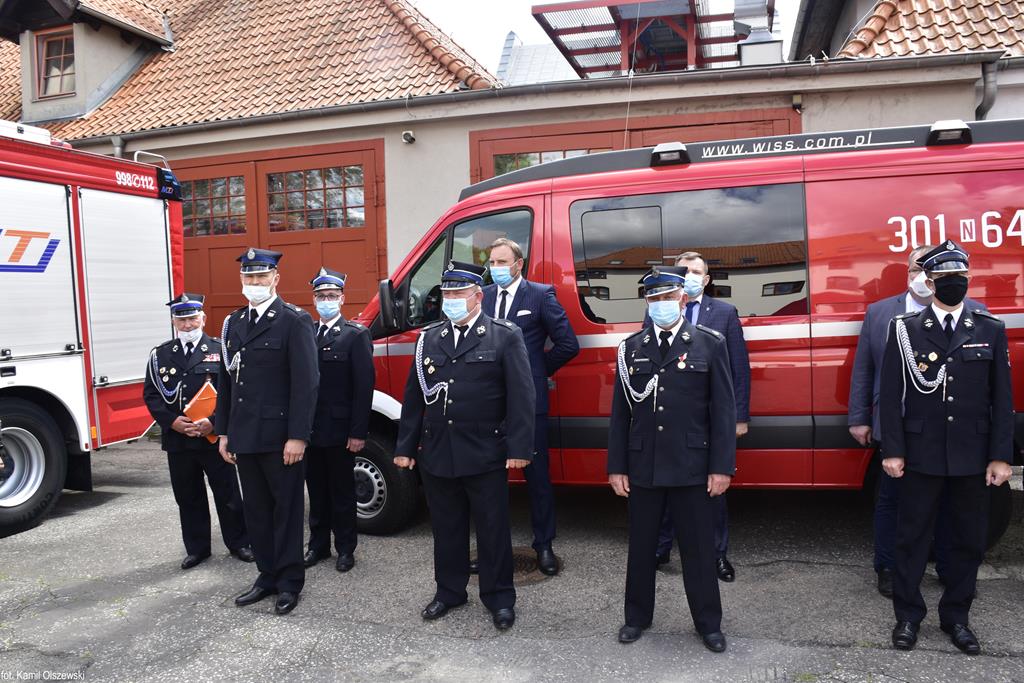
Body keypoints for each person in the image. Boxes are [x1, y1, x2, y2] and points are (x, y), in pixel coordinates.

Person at [880, 240, 1013, 654]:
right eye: (944, 277)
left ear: (968, 278)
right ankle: (908, 617)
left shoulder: (990, 328)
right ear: (929, 281)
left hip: (972, 456)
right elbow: (891, 396)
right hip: (920, 454)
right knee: (911, 539)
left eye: (960, 276)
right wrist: (893, 450)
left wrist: (1000, 456)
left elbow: (1002, 399)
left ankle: (957, 618)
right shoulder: (905, 329)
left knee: (967, 541)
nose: (954, 283)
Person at [394, 261, 534, 631]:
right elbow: (414, 397)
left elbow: (522, 396)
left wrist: (519, 448)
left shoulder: (504, 336)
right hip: (438, 451)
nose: (452, 299)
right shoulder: (429, 338)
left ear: (478, 296)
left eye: (459, 293)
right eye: (448, 293)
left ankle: (499, 597)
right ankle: (450, 591)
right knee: (447, 528)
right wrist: (405, 447)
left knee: (492, 529)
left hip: (485, 451)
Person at [608, 265, 736, 653]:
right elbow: (620, 414)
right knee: (641, 547)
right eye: (654, 299)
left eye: (667, 297)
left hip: (691, 466)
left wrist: (721, 467)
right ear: (647, 303)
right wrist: (617, 466)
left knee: (698, 549)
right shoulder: (631, 348)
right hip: (644, 464)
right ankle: (636, 617)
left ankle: (708, 623)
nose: (661, 304)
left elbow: (723, 411)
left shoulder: (708, 343)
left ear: (682, 299)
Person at [848, 245, 980, 597]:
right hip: (898, 424)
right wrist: (859, 417)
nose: (922, 276)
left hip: (950, 427)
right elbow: (864, 368)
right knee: (892, 500)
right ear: (906, 272)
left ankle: (950, 568)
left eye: (929, 269)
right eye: (915, 268)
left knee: (950, 503)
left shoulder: (976, 311)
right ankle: (889, 567)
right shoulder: (880, 312)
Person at [215, 247, 319, 616]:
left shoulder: (294, 321)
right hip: (245, 436)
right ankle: (267, 575)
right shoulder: (233, 323)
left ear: (276, 278)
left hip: (280, 439)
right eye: (249, 276)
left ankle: (289, 581)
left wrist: (298, 436)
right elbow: (227, 382)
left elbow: (306, 383)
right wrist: (224, 432)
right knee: (256, 511)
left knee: (286, 512)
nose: (255, 282)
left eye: (261, 275)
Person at [482, 237, 579, 576]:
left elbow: (568, 344)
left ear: (518, 263)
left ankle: (544, 544)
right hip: (488, 403)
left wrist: (535, 373)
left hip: (528, 404)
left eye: (501, 262)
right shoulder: (483, 296)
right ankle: (491, 547)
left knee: (537, 478)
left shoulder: (540, 295)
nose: (496, 268)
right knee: (488, 480)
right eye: (492, 262)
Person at [650, 252, 749, 582]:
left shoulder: (724, 313)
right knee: (664, 488)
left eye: (696, 271)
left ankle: (717, 554)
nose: (690, 276)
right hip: (667, 418)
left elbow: (738, 369)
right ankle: (661, 548)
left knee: (712, 492)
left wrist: (739, 417)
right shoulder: (657, 309)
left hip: (706, 421)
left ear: (706, 279)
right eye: (684, 271)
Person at [142, 293, 253, 570]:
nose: (188, 325)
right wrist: (172, 422)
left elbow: (234, 391)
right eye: (182, 320)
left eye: (192, 319)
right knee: (188, 497)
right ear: (174, 322)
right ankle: (197, 548)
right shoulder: (161, 354)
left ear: (203, 318)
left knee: (228, 494)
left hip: (213, 438)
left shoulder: (219, 349)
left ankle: (239, 542)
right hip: (179, 439)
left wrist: (214, 422)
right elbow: (151, 395)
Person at [303, 267, 374, 573]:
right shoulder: (305, 333)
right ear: (314, 299)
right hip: (309, 430)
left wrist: (358, 432)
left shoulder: (355, 335)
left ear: (342, 298)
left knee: (342, 493)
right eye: (321, 296)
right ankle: (318, 546)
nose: (326, 301)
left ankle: (345, 548)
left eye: (332, 296)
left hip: (340, 431)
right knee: (316, 492)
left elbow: (363, 388)